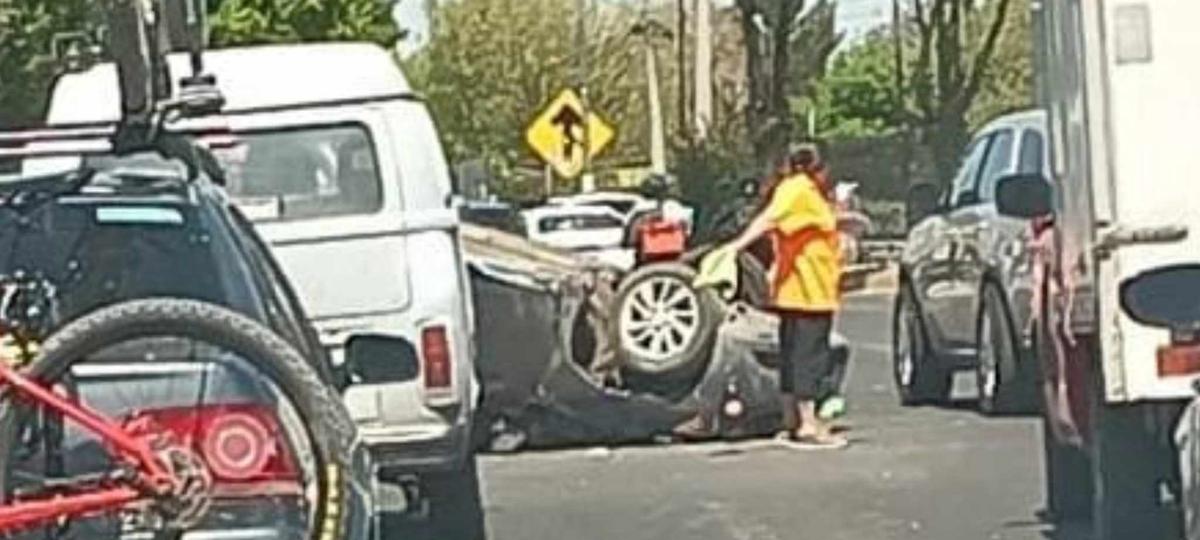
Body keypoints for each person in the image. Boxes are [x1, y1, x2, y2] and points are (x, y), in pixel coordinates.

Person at [725, 143, 846, 448]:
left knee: (793, 354)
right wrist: (736, 246)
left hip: (803, 287)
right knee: (809, 357)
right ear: (819, 167)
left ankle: (791, 419)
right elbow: (771, 219)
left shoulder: (804, 191)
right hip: (807, 289)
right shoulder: (799, 189)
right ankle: (807, 423)